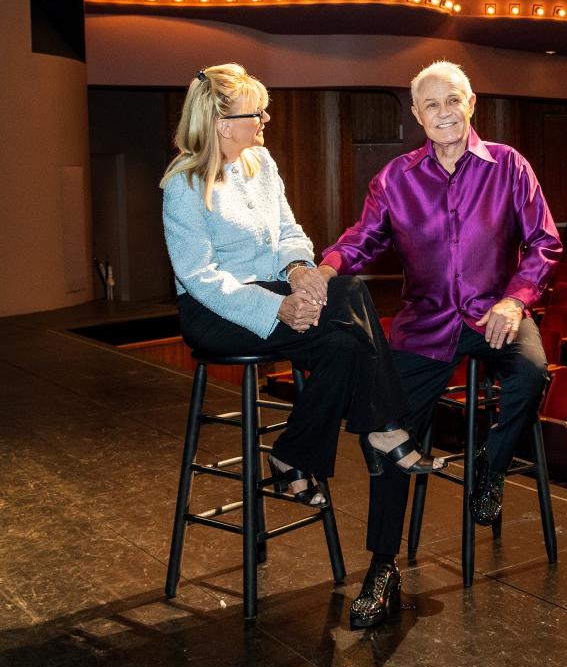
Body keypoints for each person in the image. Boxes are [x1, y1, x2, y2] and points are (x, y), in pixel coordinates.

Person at [313, 60, 562, 628]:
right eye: (431, 105)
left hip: (494, 315)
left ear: (471, 102)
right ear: (417, 116)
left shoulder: (509, 166)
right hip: (424, 325)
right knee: (385, 432)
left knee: (530, 374)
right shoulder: (396, 178)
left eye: (453, 100)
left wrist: (515, 299)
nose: (444, 113)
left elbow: (543, 242)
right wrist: (322, 269)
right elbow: (363, 240)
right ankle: (383, 567)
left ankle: (488, 469)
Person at [160, 63, 443, 510]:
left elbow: (289, 230)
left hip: (275, 290)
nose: (264, 121)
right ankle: (383, 426)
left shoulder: (261, 164)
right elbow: (200, 279)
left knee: (346, 337)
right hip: (216, 311)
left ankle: (292, 456)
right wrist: (277, 308)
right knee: (349, 295)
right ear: (222, 125)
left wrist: (297, 272)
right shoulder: (184, 185)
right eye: (256, 114)